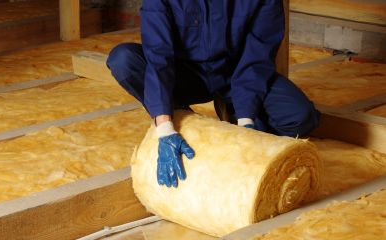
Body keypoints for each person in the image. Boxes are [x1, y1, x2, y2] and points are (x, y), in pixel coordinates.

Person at [106, 0, 320, 188]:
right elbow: (159, 56)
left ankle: (233, 109)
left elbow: (256, 59)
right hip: (184, 75)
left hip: (234, 75)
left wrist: (247, 121)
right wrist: (165, 128)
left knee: (300, 116)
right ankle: (185, 119)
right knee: (123, 60)